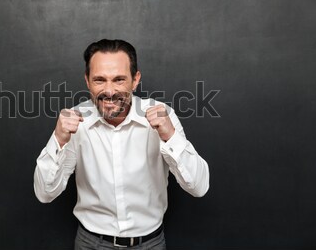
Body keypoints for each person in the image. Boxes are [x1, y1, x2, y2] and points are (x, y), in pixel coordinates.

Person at [34, 39, 209, 249]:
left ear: (135, 80)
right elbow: (44, 193)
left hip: (150, 243)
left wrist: (170, 136)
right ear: (87, 81)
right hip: (91, 243)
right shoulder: (75, 122)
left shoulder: (163, 115)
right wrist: (58, 140)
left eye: (119, 80)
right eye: (99, 80)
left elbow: (199, 187)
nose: (109, 91)